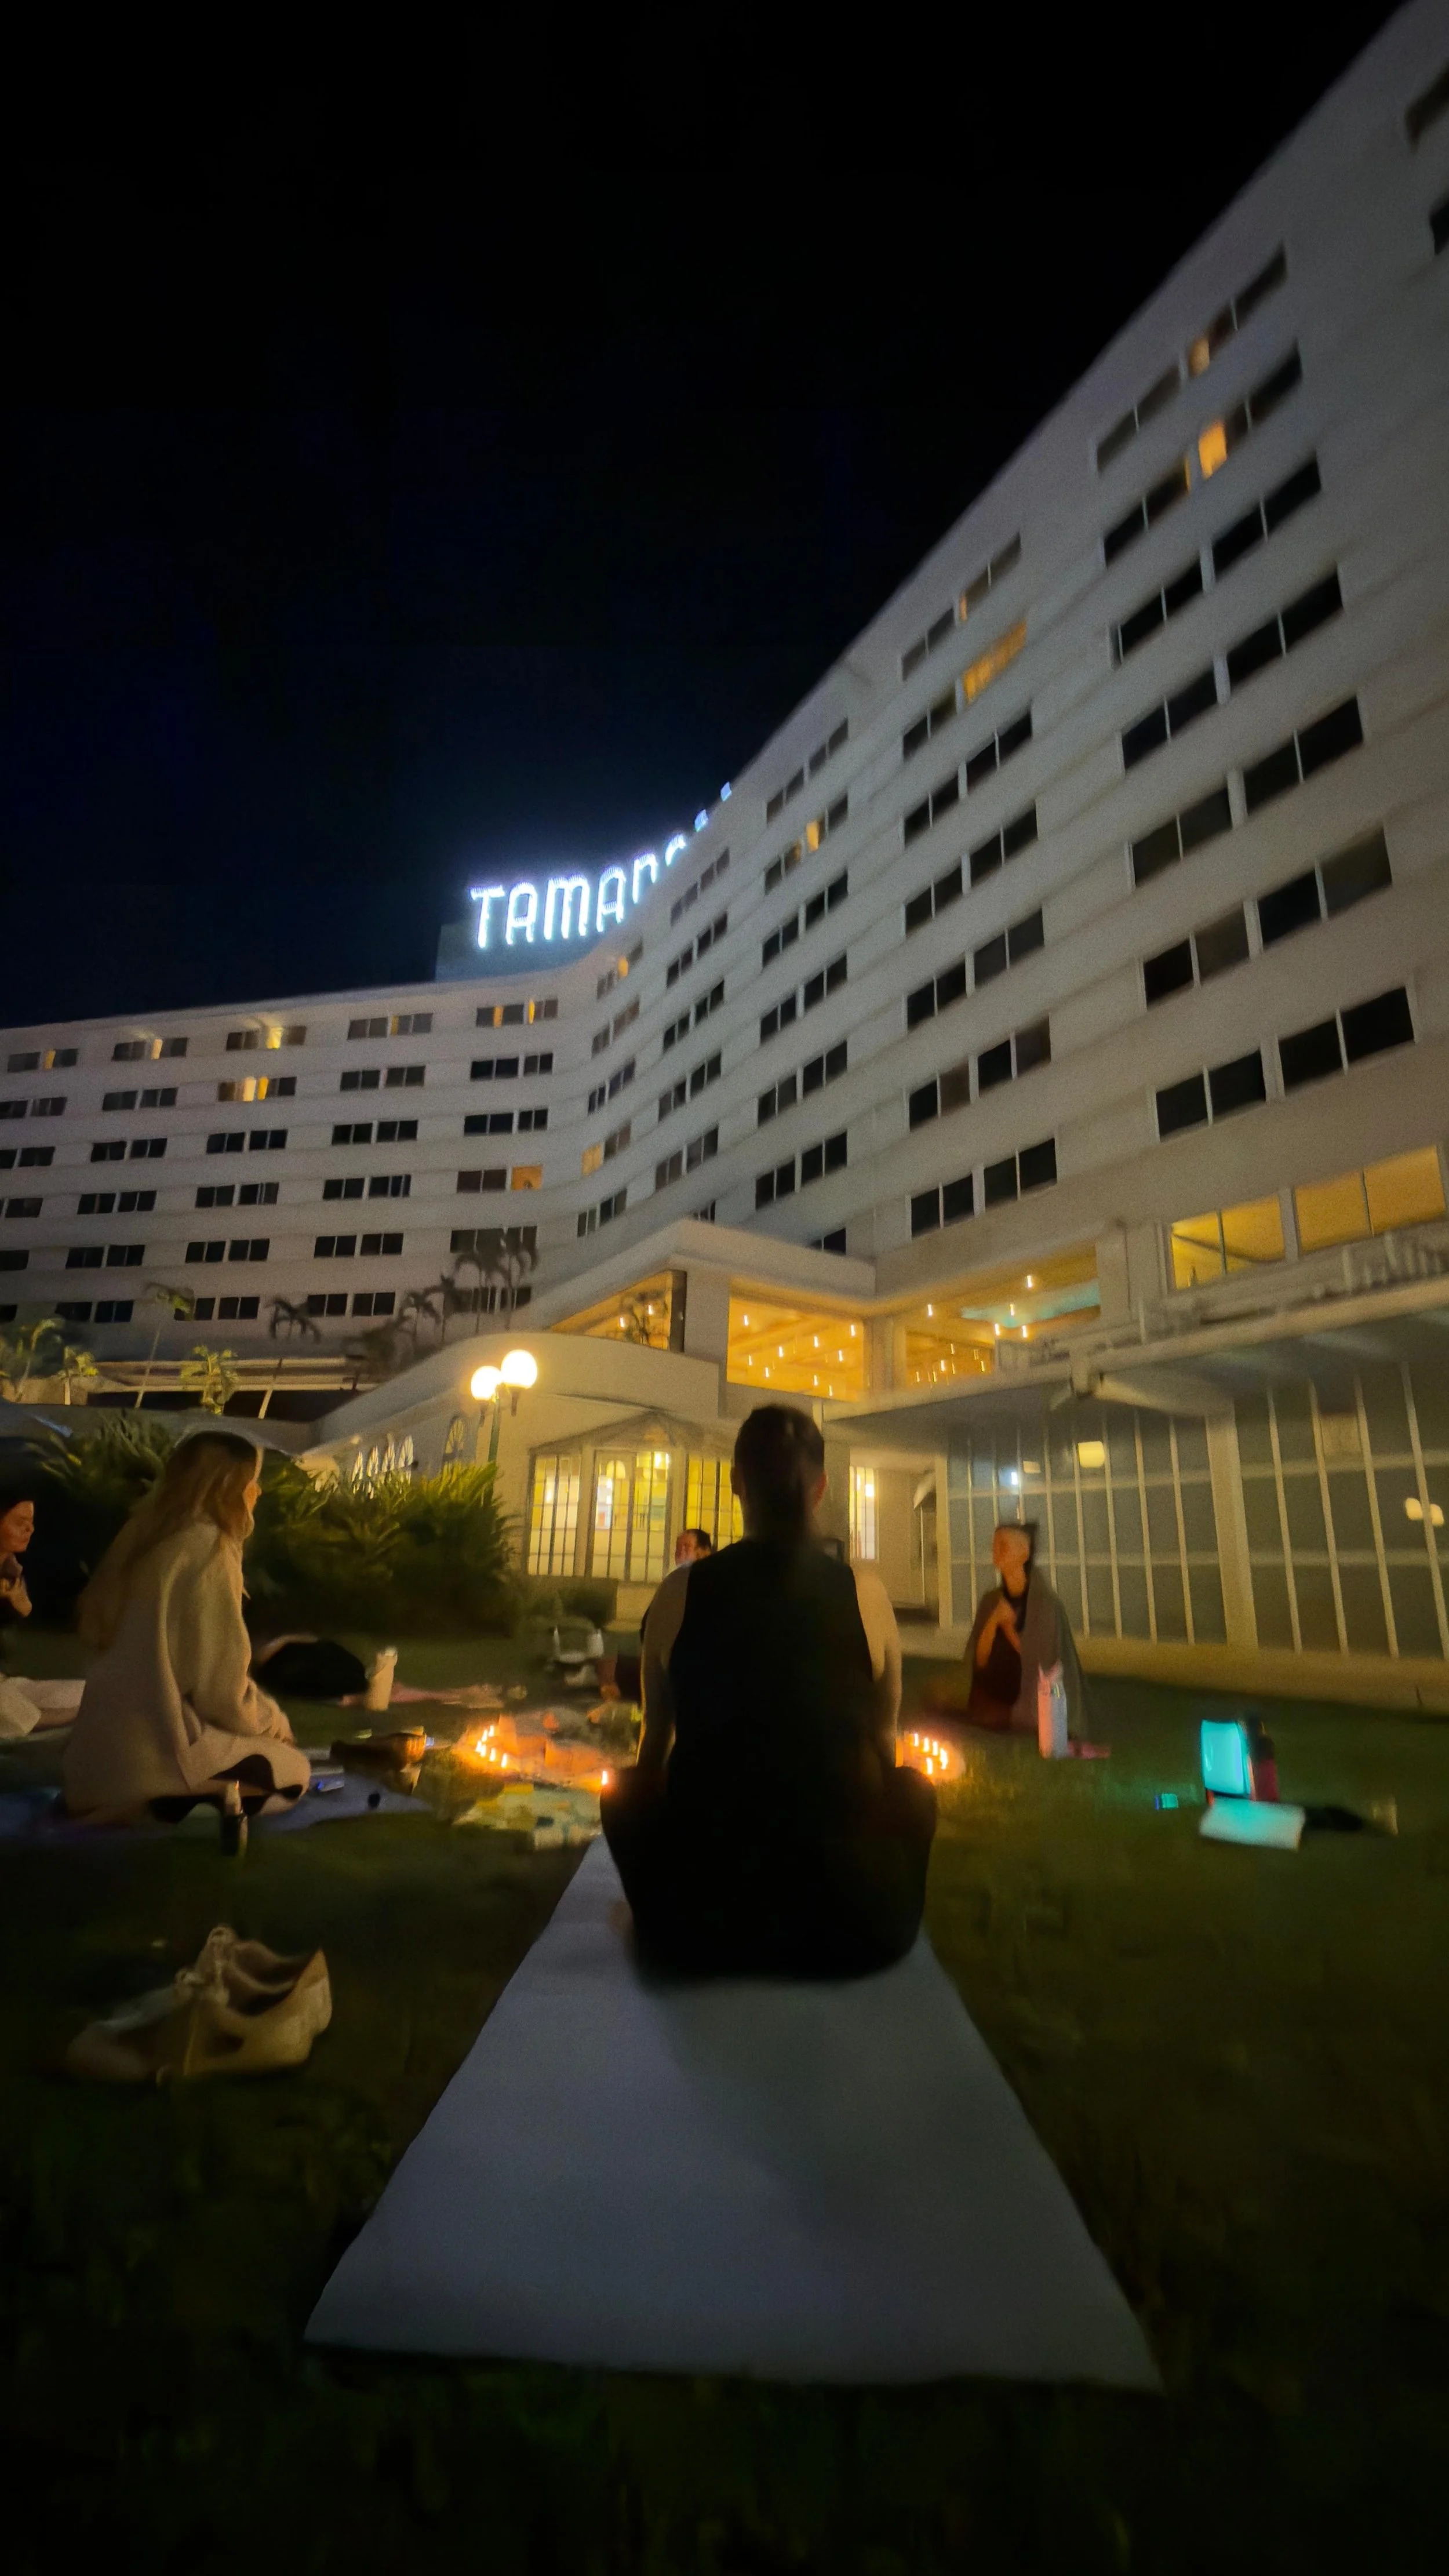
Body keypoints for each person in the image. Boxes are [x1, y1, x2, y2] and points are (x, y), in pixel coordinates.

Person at [600, 1404, 935, 1978]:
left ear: (736, 1484)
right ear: (820, 1487)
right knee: (913, 1789)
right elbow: (884, 1737)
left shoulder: (682, 1591)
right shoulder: (865, 1592)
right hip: (858, 1929)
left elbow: (655, 1745)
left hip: (696, 1927)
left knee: (623, 1794)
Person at [64, 1431, 310, 1819]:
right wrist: (275, 1725)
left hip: (90, 1763)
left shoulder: (142, 1539)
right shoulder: (209, 1550)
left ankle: (167, 1800)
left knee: (254, 1751)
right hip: (150, 1757)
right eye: (253, 1481)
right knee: (294, 1769)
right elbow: (221, 1691)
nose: (258, 1493)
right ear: (230, 1487)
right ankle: (168, 1806)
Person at [962, 1520, 1089, 1738]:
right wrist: (993, 1622)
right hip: (996, 1694)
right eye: (994, 1545)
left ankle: (1011, 1716)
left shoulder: (1046, 1605)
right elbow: (980, 1660)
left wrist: (1009, 1628)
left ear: (1025, 1552)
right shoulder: (991, 1601)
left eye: (1004, 1545)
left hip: (1032, 1697)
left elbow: (1042, 1663)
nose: (996, 1551)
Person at [0, 1468, 88, 1738]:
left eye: (31, 1522)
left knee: (81, 1691)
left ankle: (85, 1708)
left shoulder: (11, 1570)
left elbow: (24, 1609)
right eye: (20, 1522)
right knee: (16, 1712)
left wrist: (11, 1597)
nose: (29, 1530)